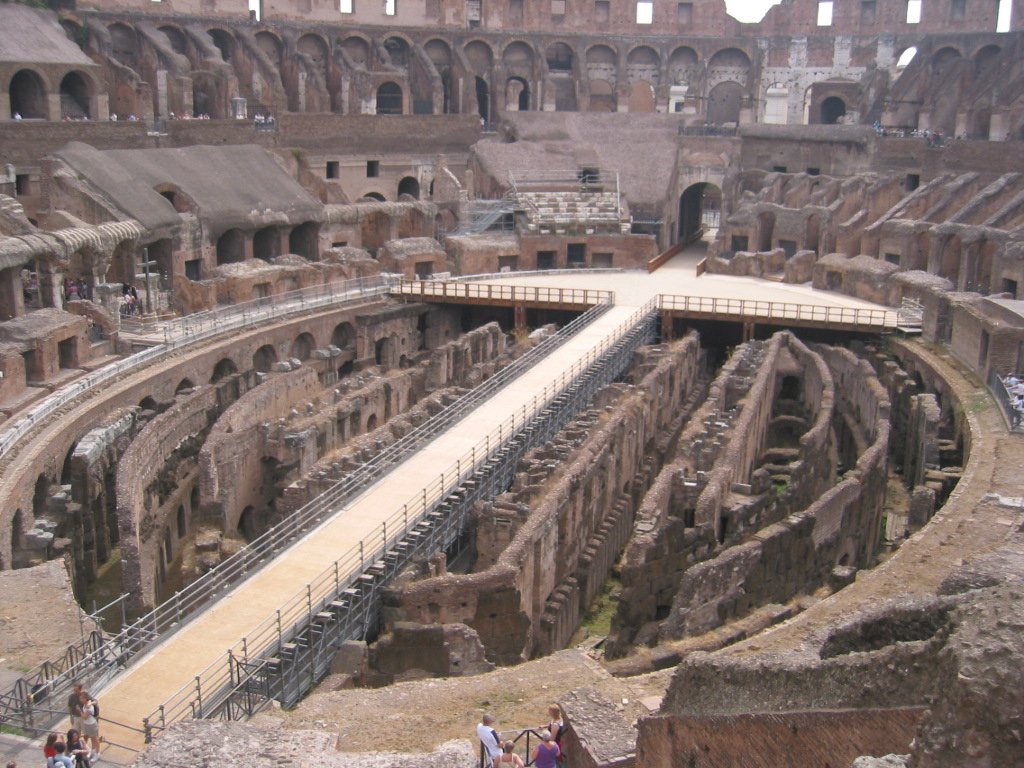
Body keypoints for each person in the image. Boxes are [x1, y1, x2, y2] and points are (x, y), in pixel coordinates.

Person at [79, 691, 101, 757]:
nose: (80, 700)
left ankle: (97, 753)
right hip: (87, 724)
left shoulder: (89, 706)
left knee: (95, 739)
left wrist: (79, 710)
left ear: (86, 698)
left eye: (82, 698)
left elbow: (84, 717)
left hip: (91, 724)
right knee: (92, 738)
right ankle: (93, 751)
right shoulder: (87, 704)